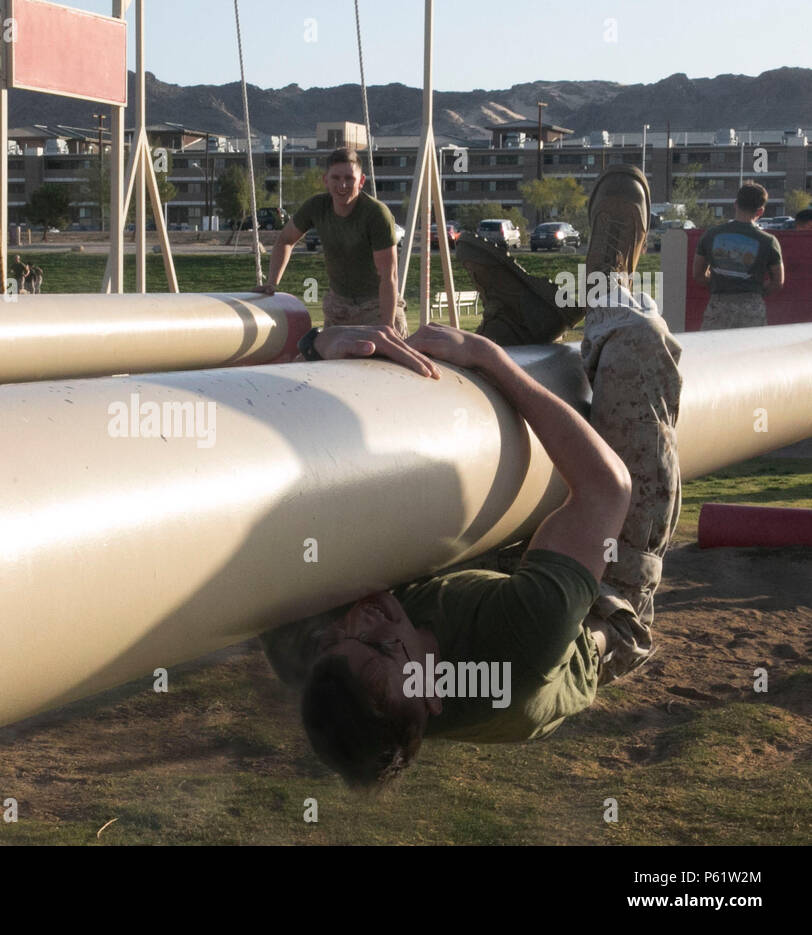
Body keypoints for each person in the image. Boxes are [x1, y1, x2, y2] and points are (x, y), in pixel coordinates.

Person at [265, 164, 682, 786]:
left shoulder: (320, 654)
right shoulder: (522, 648)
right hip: (599, 610)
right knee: (633, 348)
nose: (364, 616)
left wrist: (319, 346)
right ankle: (604, 287)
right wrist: (490, 360)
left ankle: (524, 322)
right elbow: (606, 489)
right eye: (384, 646)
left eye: (343, 639)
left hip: (495, 570)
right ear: (432, 698)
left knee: (441, 386)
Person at [253, 148, 405, 336]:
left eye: (349, 179)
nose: (342, 185)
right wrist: (272, 283)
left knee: (385, 360)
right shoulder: (316, 207)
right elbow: (285, 239)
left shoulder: (377, 214)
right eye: (336, 178)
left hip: (376, 306)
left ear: (362, 181)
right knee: (329, 359)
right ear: (326, 180)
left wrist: (387, 326)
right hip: (339, 307)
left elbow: (389, 276)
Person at [692, 182, 784, 330]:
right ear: (760, 211)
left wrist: (720, 284)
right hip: (752, 307)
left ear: (735, 204)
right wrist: (757, 291)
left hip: (719, 305)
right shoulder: (769, 241)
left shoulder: (711, 235)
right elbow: (777, 282)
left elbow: (698, 275)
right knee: (751, 351)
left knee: (714, 350)